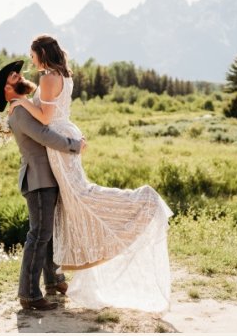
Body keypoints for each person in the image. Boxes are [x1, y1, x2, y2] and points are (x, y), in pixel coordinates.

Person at [9, 34, 173, 312]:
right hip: (62, 136)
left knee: (81, 195)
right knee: (68, 204)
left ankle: (141, 201)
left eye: (32, 54)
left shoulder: (49, 78)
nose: (31, 59)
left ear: (42, 54)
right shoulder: (61, 75)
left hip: (60, 142)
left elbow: (47, 119)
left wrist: (21, 102)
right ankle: (54, 278)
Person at [0, 58, 86, 315]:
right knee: (39, 235)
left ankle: (54, 281)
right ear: (6, 90)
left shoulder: (24, 107)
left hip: (45, 177)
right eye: (12, 76)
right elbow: (44, 136)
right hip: (38, 179)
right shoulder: (19, 111)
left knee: (49, 232)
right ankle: (29, 294)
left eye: (15, 73)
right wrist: (74, 145)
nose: (17, 75)